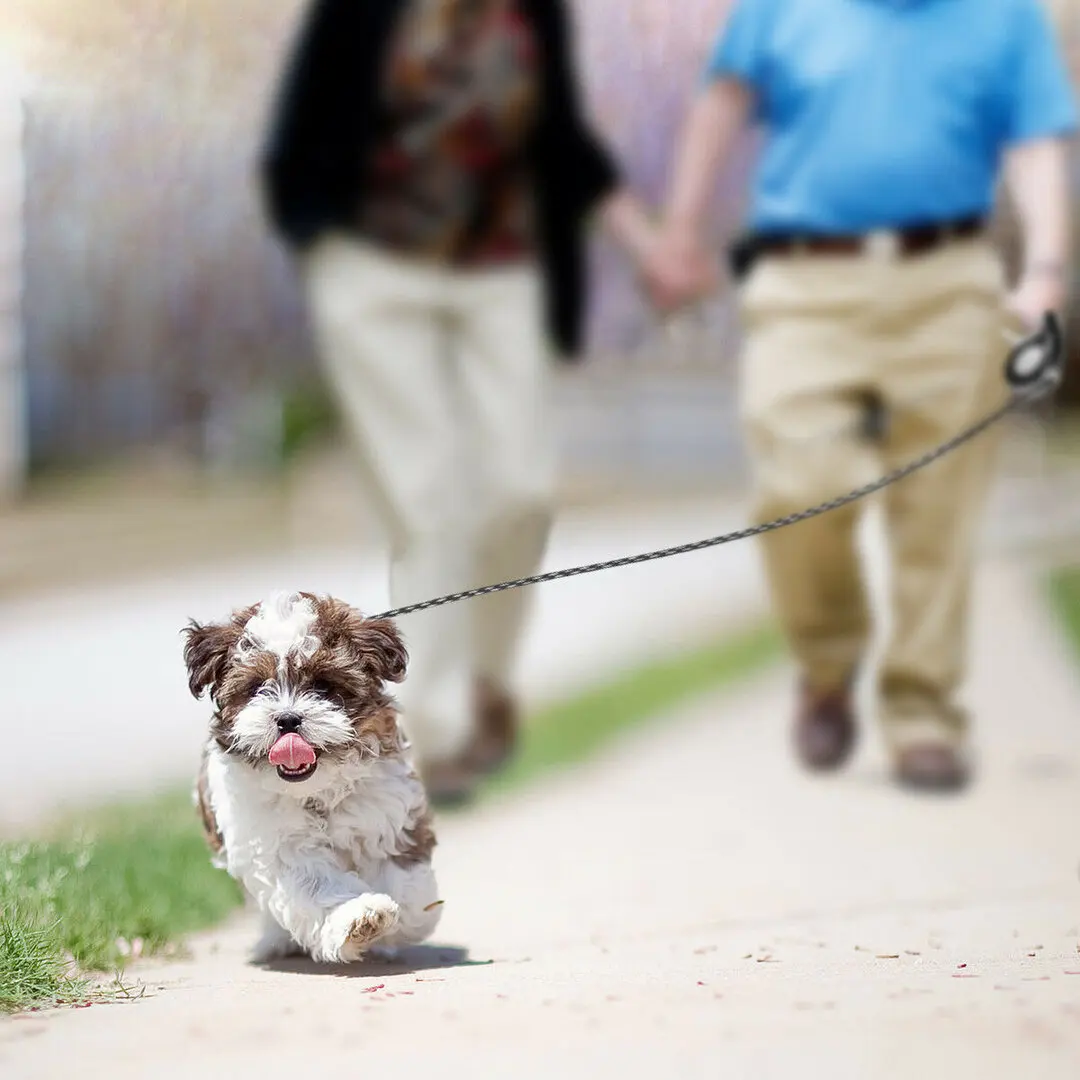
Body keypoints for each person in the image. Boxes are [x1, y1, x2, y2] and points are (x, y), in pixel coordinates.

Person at [257, 0, 706, 806]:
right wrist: (321, 244)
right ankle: (433, 732)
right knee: (427, 499)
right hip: (374, 268)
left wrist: (649, 248)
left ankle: (485, 683)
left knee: (520, 493)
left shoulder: (530, 15)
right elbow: (302, 132)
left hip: (502, 270)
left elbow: (561, 142)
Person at [645, 0, 1078, 791]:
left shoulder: (1004, 18)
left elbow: (1036, 141)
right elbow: (721, 106)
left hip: (948, 279)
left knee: (938, 509)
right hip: (804, 279)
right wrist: (681, 233)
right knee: (796, 487)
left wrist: (1046, 268)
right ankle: (826, 659)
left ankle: (923, 716)